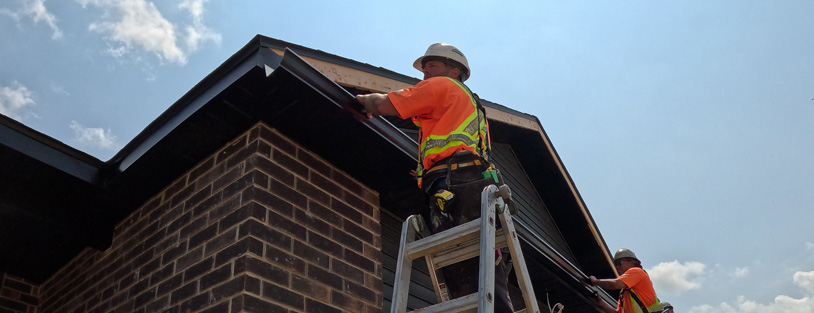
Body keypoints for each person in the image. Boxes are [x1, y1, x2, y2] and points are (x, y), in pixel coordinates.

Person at [356, 43, 513, 312]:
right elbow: (448, 139)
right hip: (475, 183)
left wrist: (362, 100)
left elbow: (386, 104)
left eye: (433, 66)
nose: (426, 73)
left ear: (455, 70)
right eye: (425, 68)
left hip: (455, 184)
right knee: (484, 266)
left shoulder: (442, 86)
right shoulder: (468, 102)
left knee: (460, 264)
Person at [589, 249, 663, 313]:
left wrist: (595, 281)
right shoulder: (625, 293)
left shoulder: (637, 271)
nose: (617, 267)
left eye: (619, 263)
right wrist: (601, 303)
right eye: (615, 265)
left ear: (632, 262)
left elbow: (615, 284)